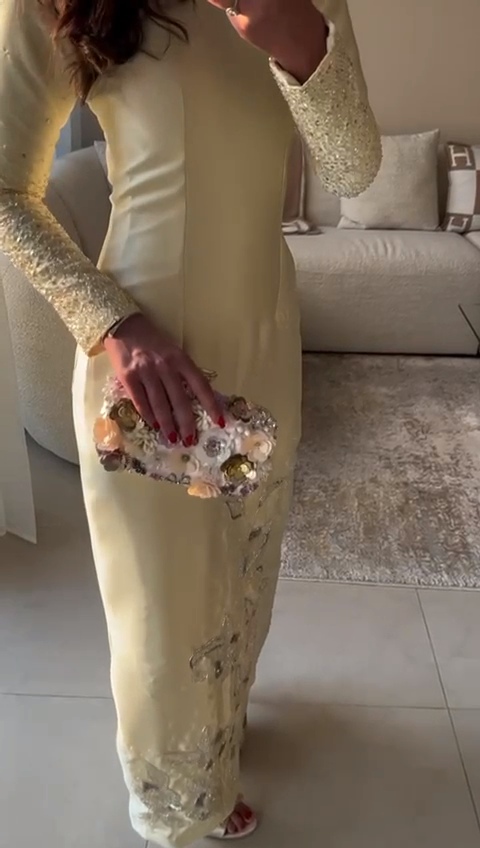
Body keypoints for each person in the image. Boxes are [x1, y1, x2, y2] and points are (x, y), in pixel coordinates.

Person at [0, 0, 381, 845]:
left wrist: (299, 41)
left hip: (267, 339)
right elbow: (5, 193)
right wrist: (110, 322)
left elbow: (355, 169)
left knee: (244, 578)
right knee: (162, 612)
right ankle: (176, 807)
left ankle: (216, 747)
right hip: (148, 362)